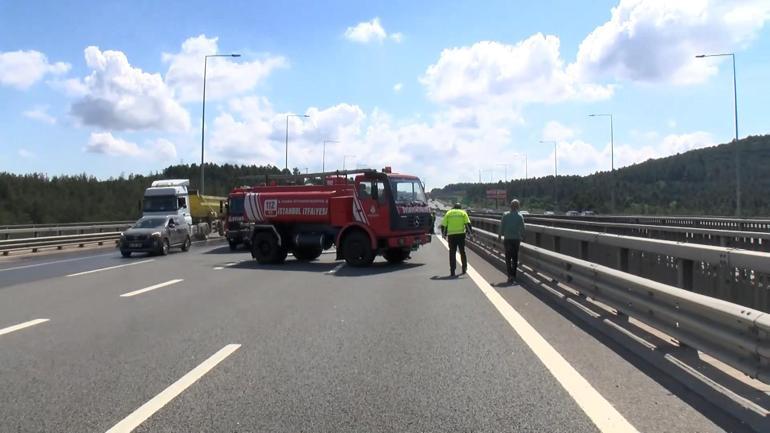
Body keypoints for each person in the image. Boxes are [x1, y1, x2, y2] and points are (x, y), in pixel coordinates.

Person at [498, 199, 526, 283]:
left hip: (507, 239)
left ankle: (509, 275)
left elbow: (501, 226)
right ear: (518, 207)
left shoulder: (505, 215)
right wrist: (523, 236)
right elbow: (523, 229)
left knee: (508, 257)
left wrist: (499, 236)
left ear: (510, 206)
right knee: (515, 258)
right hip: (516, 240)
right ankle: (514, 275)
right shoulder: (520, 216)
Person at [441, 203, 472, 277]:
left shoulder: (449, 213)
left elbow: (444, 225)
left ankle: (452, 270)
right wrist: (470, 233)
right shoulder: (463, 213)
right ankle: (464, 267)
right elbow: (467, 224)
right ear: (460, 207)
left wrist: (444, 234)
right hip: (461, 235)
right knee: (462, 251)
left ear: (453, 207)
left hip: (451, 236)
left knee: (452, 253)